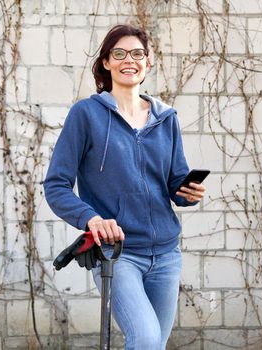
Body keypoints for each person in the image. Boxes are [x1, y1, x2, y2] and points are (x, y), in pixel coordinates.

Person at [44, 24, 206, 349]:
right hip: (117, 254)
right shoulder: (86, 115)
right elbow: (56, 185)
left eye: (136, 53)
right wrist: (91, 219)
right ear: (106, 62)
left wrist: (187, 192)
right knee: (145, 340)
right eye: (119, 53)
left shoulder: (165, 118)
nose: (128, 60)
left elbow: (174, 181)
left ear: (148, 62)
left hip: (165, 253)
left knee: (154, 345)